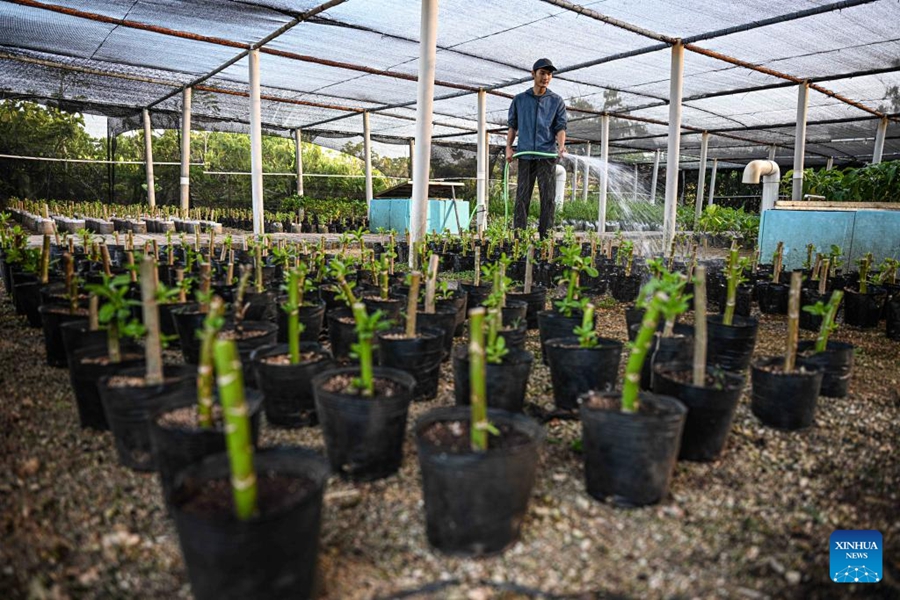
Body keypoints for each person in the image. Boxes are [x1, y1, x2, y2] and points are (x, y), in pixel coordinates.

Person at [506, 58, 568, 238]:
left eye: (549, 74)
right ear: (533, 74)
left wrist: (561, 147)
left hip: (546, 156)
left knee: (548, 199)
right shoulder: (519, 100)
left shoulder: (556, 101)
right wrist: (509, 148)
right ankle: (519, 237)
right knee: (522, 198)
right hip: (525, 156)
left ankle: (545, 238)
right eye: (542, 73)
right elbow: (512, 126)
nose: (546, 77)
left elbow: (561, 127)